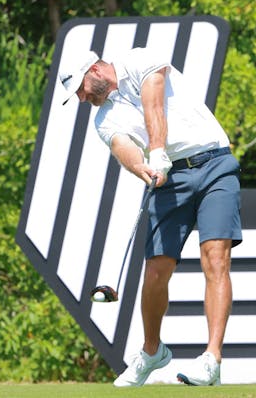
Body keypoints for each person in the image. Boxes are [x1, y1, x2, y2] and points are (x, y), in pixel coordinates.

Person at [59, 48, 242, 387]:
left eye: (81, 90)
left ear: (95, 70)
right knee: (156, 272)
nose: (82, 99)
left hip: (215, 163)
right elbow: (121, 145)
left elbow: (153, 104)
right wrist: (140, 166)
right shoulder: (102, 117)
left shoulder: (139, 59)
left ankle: (212, 359)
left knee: (216, 258)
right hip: (169, 179)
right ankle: (152, 351)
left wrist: (157, 151)